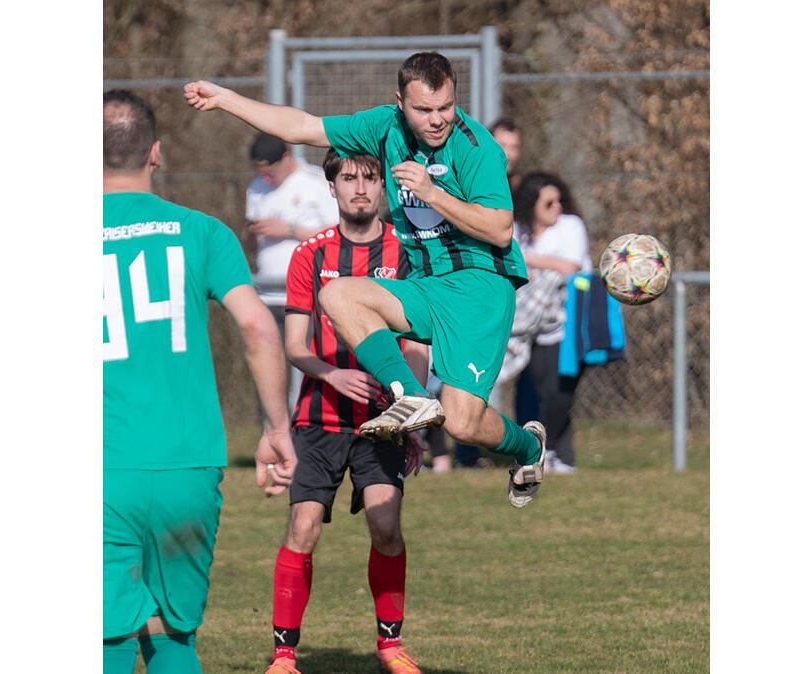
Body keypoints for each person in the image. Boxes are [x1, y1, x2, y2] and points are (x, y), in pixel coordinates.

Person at [184, 51, 550, 508]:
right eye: (423, 110)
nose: (437, 120)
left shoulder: (476, 148)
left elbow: (498, 228)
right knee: (337, 294)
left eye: (445, 107)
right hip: (426, 285)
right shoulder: (384, 126)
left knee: (463, 424)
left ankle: (528, 448)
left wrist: (432, 193)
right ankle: (412, 396)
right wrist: (227, 99)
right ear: (400, 102)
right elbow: (303, 127)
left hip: (479, 287)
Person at [103, 89, 297, 674]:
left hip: (102, 466)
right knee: (171, 636)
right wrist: (276, 428)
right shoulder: (204, 232)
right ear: (156, 153)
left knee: (104, 637)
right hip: (189, 462)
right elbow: (259, 329)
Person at [266, 149, 429, 674]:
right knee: (304, 525)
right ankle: (285, 655)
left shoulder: (407, 255)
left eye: (370, 178)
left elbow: (418, 345)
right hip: (319, 417)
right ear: (331, 187)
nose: (360, 188)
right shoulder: (308, 255)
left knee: (386, 525)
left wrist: (414, 413)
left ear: (382, 187)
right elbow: (294, 345)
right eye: (348, 179)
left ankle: (390, 646)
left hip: (382, 419)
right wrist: (331, 373)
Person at [245, 133, 339, 409]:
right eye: (261, 173)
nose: (267, 179)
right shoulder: (256, 188)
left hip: (304, 295)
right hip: (267, 295)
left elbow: (335, 234)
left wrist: (289, 230)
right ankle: (274, 433)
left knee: (305, 371)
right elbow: (249, 234)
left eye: (271, 172)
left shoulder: (315, 183)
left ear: (286, 157)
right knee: (269, 372)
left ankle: (303, 435)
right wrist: (252, 231)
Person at [511, 172, 593, 473]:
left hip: (568, 320)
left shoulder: (570, 226)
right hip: (529, 322)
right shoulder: (519, 231)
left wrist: (528, 259)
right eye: (548, 202)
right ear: (532, 204)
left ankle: (550, 451)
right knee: (543, 390)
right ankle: (555, 455)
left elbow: (570, 266)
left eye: (559, 200)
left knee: (561, 391)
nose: (557, 206)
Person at [488, 117, 522, 193]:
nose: (508, 154)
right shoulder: (474, 181)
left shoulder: (520, 188)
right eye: (502, 146)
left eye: (514, 147)